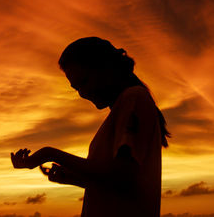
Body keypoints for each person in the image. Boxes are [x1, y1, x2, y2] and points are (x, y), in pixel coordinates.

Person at [11, 37, 170, 217]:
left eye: (85, 81)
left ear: (106, 68)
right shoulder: (123, 107)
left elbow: (123, 177)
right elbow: (119, 185)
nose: (83, 93)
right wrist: (74, 178)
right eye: (76, 88)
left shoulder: (133, 98)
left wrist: (50, 153)